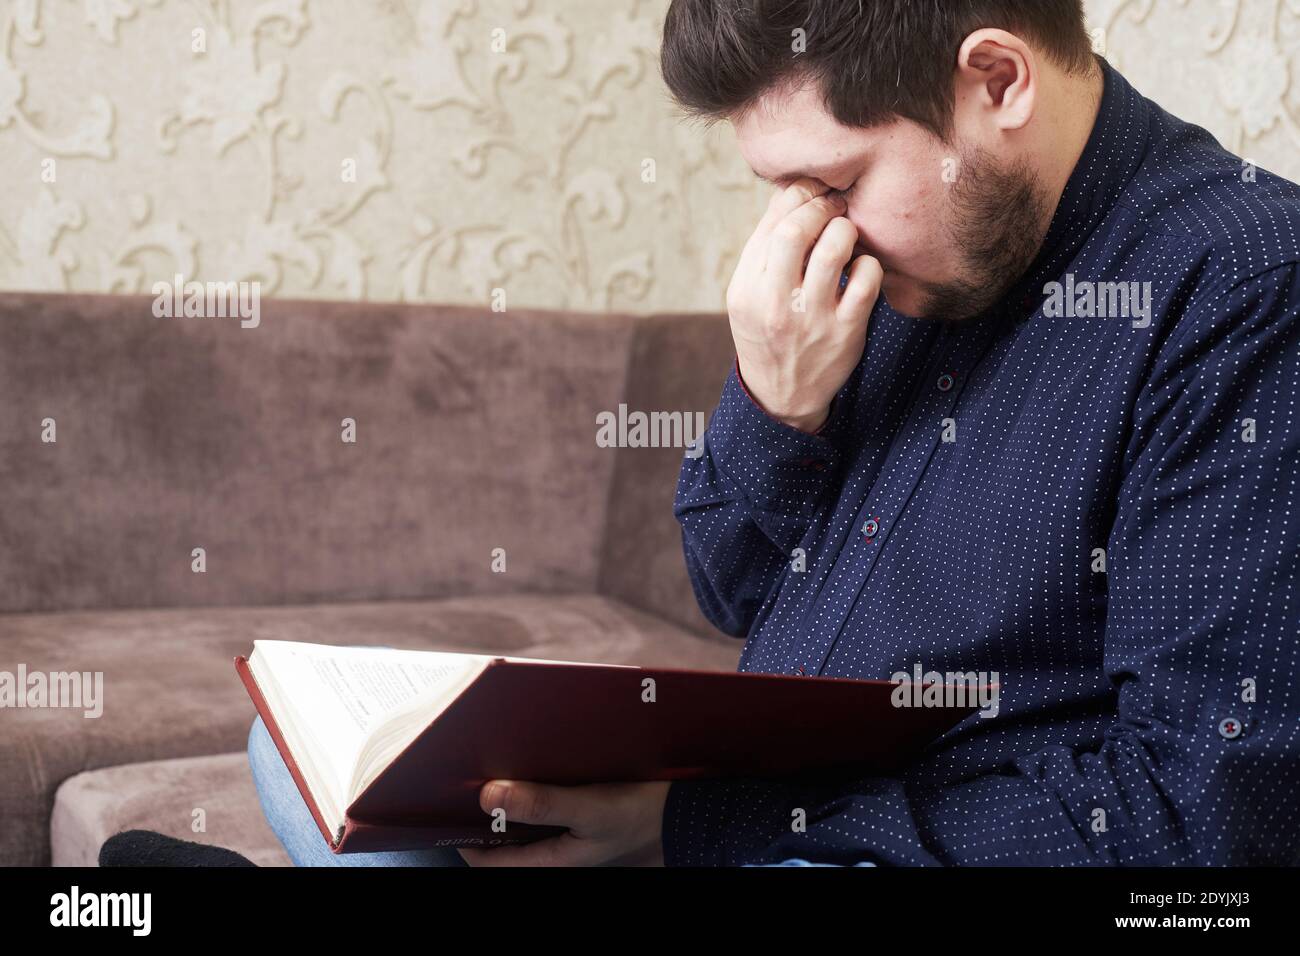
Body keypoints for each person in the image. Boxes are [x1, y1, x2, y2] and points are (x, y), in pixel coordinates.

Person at [237, 0, 1299, 867]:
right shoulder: (881, 268)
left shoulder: (1244, 284)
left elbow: (1201, 819)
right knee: (304, 758)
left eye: (834, 181)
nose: (813, 228)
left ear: (998, 81)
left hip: (887, 847)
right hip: (759, 802)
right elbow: (732, 589)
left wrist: (685, 827)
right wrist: (773, 400)